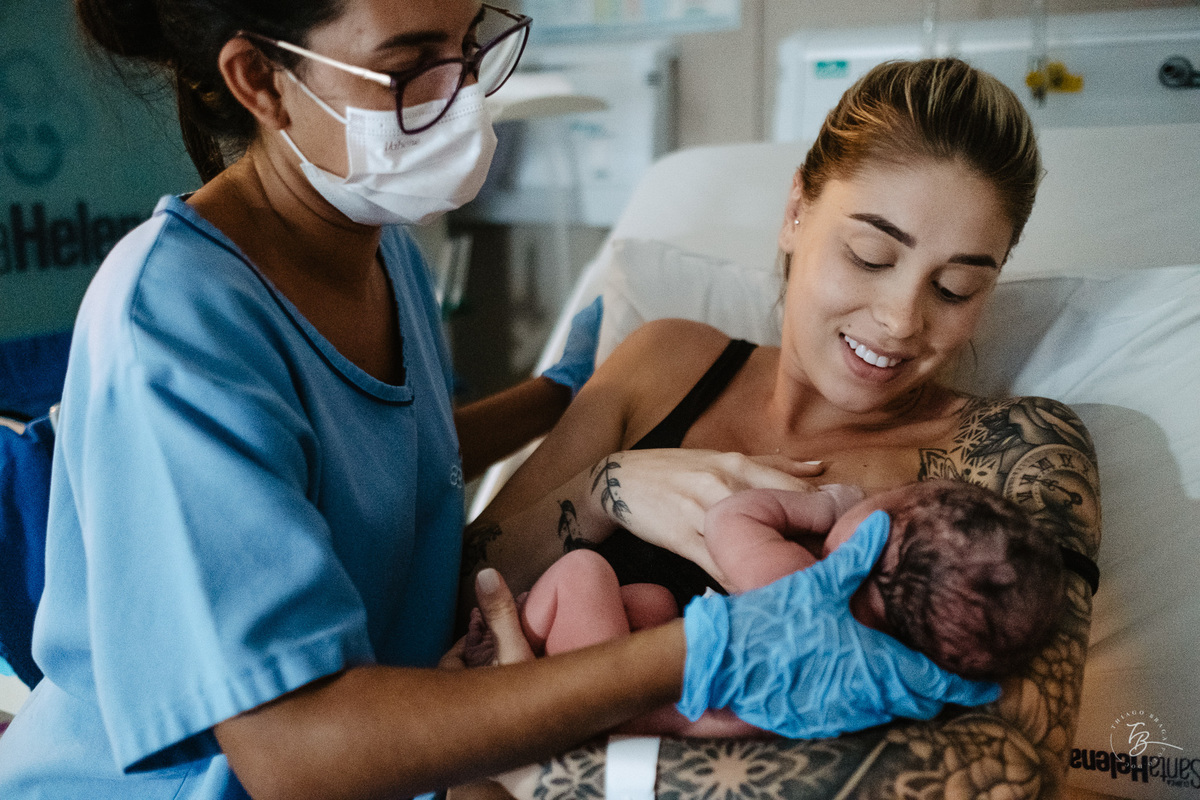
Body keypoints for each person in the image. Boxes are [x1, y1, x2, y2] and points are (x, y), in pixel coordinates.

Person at [0, 4, 992, 798]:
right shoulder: (173, 319)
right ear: (261, 79)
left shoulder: (378, 250)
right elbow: (295, 753)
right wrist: (702, 647)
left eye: (471, 43)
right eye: (412, 63)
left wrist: (568, 427)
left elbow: (388, 490)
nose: (464, 93)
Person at [463, 57, 1102, 798]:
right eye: (871, 255)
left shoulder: (1006, 455)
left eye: (956, 287)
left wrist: (544, 764)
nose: (901, 319)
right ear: (797, 210)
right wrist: (607, 490)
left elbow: (1010, 771)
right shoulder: (664, 364)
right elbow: (450, 594)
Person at [465, 480, 1064, 735]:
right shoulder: (898, 682)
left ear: (871, 540)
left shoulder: (796, 588)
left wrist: (823, 506)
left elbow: (729, 518)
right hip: (671, 724)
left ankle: (504, 648)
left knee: (585, 571)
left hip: (601, 701)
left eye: (885, 498)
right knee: (649, 604)